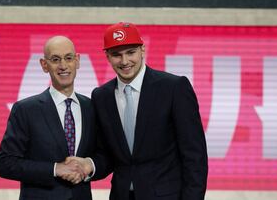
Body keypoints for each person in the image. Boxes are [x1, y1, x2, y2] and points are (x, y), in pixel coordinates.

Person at [68, 22, 208, 200]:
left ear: (142, 50)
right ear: (107, 56)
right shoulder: (101, 96)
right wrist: (89, 165)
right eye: (116, 55)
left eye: (130, 52)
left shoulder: (173, 88)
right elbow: (109, 155)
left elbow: (195, 156)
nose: (125, 61)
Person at [0, 36, 96, 200]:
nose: (63, 65)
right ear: (44, 65)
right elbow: (6, 164)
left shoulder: (91, 108)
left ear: (77, 61)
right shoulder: (26, 109)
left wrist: (88, 166)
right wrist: (56, 169)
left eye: (68, 58)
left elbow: (105, 156)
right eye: (55, 59)